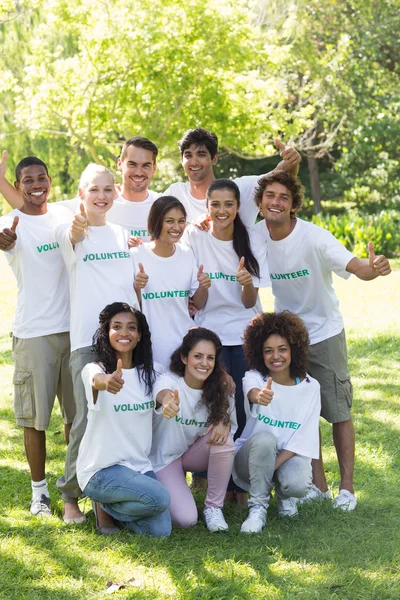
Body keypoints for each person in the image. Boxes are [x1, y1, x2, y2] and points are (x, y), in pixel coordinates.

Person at [252, 171, 392, 510]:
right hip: (288, 339)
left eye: (284, 197)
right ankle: (320, 486)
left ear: (294, 204)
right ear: (260, 202)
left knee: (338, 410)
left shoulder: (314, 237)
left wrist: (373, 267)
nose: (276, 202)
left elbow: (355, 266)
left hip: (325, 333)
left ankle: (347, 488)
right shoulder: (256, 235)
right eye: (270, 195)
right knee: (305, 411)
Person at [55, 163, 139, 524]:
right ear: (81, 194)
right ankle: (70, 496)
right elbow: (73, 236)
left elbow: (131, 284)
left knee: (118, 418)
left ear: (115, 193)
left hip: (124, 342)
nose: (101, 196)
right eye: (94, 190)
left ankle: (108, 496)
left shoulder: (122, 235)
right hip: (87, 343)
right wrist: (77, 228)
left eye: (107, 189)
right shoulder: (70, 231)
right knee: (85, 420)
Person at [0, 156, 75, 517]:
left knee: (76, 418)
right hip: (33, 335)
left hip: (74, 331)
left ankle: (72, 488)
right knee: (35, 420)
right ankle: (39, 493)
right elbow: (6, 241)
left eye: (40, 178)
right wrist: (6, 241)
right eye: (26, 180)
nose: (35, 184)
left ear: (49, 180)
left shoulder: (62, 215)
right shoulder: (8, 225)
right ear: (18, 184)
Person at [77, 302, 171, 537]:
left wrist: (168, 401)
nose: (124, 333)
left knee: (161, 531)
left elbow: (163, 391)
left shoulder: (153, 372)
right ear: (107, 333)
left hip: (138, 467)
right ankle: (101, 502)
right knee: (159, 497)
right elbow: (96, 380)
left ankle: (109, 509)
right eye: (116, 327)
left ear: (140, 335)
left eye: (131, 327)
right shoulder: (93, 368)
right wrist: (107, 381)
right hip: (101, 469)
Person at [234, 311, 321, 533]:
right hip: (250, 460)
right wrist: (258, 396)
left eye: (282, 349)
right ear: (259, 353)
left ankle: (285, 497)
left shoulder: (311, 387)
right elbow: (252, 391)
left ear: (294, 350)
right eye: (268, 351)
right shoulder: (255, 377)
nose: (276, 356)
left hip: (282, 458)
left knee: (299, 483)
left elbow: (302, 438)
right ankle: (258, 508)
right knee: (264, 439)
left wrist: (270, 470)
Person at [150, 328, 237, 532]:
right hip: (165, 459)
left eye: (210, 358)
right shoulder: (169, 380)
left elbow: (228, 426)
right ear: (184, 357)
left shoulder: (221, 388)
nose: (204, 363)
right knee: (186, 520)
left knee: (224, 439)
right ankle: (164, 489)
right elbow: (162, 393)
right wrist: (168, 401)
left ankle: (214, 508)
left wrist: (223, 420)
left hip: (191, 454)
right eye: (197, 356)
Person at [0, 136, 159, 242]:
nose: (138, 172)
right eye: (132, 164)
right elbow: (32, 208)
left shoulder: (161, 204)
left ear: (154, 168)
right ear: (120, 164)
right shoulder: (96, 202)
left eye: (146, 165)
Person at [164, 128, 301, 226]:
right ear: (181, 160)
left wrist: (292, 160)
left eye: (201, 155)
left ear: (214, 159)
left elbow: (280, 176)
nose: (194, 162)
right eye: (188, 155)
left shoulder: (240, 189)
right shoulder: (174, 193)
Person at [132, 195, 210, 367]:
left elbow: (198, 302)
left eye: (181, 221)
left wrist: (203, 287)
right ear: (156, 221)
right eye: (170, 221)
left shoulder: (187, 253)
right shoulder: (137, 255)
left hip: (183, 349)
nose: (177, 227)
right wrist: (137, 288)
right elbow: (131, 308)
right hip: (150, 350)